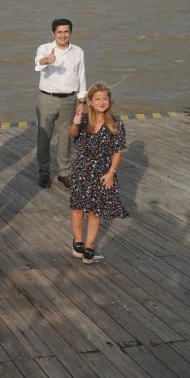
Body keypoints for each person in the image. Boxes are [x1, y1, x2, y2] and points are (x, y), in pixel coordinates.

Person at [69, 83, 128, 264]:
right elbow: (72, 135)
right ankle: (78, 241)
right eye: (97, 99)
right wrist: (76, 121)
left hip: (103, 172)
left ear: (110, 101)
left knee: (95, 212)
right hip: (81, 170)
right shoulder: (84, 120)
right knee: (78, 208)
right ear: (91, 102)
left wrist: (111, 173)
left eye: (105, 98)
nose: (102, 102)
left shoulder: (116, 123)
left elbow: (118, 151)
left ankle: (90, 246)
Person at [35, 18, 87, 189]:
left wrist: (81, 101)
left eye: (66, 31)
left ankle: (64, 173)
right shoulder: (44, 48)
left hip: (70, 99)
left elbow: (81, 76)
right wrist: (47, 61)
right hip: (47, 98)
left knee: (66, 137)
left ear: (70, 32)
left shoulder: (78, 51)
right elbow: (38, 62)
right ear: (53, 33)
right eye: (59, 32)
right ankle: (44, 172)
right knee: (44, 137)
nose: (63, 35)